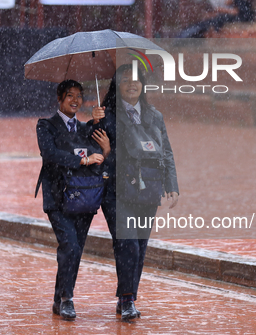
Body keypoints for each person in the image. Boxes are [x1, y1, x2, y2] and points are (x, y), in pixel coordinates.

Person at [91, 64, 179, 321]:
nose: (132, 84)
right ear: (116, 85)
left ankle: (127, 297)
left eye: (136, 80)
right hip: (116, 189)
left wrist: (171, 185)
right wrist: (102, 142)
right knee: (127, 242)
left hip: (148, 189)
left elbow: (166, 153)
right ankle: (127, 300)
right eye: (126, 80)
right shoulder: (105, 116)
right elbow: (90, 150)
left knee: (139, 246)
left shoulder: (154, 116)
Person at [35, 79, 109, 320]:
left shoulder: (86, 128)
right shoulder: (46, 126)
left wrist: (100, 122)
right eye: (70, 95)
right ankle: (68, 299)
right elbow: (51, 154)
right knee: (70, 245)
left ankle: (60, 298)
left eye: (79, 96)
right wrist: (82, 160)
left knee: (74, 251)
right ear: (60, 98)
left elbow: (102, 151)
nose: (75, 100)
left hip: (83, 198)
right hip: (57, 198)